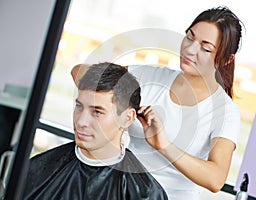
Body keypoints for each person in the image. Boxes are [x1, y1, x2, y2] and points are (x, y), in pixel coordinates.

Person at [72, 6, 243, 199]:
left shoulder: (225, 111)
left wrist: (163, 144)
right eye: (189, 37)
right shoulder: (147, 76)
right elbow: (78, 72)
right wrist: (124, 102)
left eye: (205, 48)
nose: (190, 49)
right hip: (120, 191)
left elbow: (215, 179)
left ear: (226, 60)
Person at [23, 62, 168, 200]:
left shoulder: (146, 194)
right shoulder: (37, 169)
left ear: (127, 118)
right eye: (79, 107)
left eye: (97, 112)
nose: (81, 122)